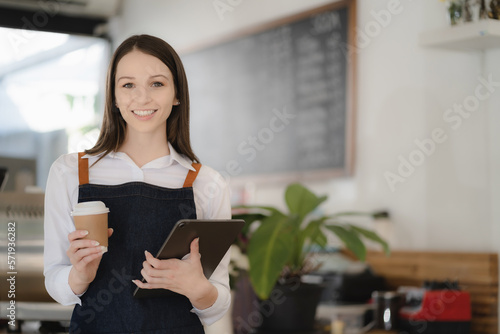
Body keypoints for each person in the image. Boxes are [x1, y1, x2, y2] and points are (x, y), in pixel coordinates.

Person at [44, 34, 232, 334]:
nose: (142, 97)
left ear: (176, 94)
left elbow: (218, 301)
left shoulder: (207, 183)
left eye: (157, 83)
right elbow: (55, 281)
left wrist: (197, 288)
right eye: (128, 84)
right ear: (114, 97)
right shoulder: (70, 172)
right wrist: (80, 275)